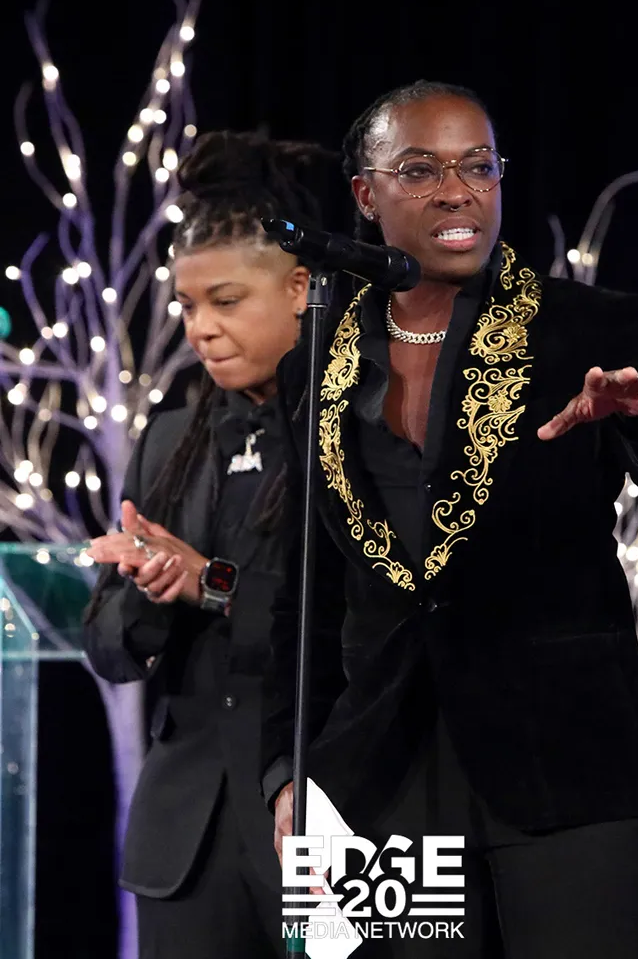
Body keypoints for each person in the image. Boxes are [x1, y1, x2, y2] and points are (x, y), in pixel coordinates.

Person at [261, 81, 638, 959]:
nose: (458, 192)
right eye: (421, 171)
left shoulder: (590, 326)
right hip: (379, 774)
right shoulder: (317, 359)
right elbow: (306, 583)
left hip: (572, 764)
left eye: (478, 167)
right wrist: (285, 769)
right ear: (366, 195)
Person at [83, 130, 334, 959]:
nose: (202, 329)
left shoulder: (356, 430)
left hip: (317, 818)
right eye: (188, 306)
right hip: (185, 839)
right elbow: (110, 649)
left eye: (226, 301)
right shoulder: (169, 439)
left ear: (299, 289)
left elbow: (349, 616)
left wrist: (211, 582)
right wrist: (147, 589)